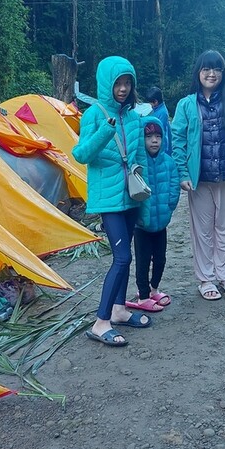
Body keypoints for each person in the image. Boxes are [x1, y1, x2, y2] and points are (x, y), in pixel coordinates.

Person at [72, 56, 152, 347]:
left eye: (127, 82)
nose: (123, 88)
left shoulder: (133, 116)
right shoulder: (93, 114)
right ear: (107, 83)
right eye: (118, 82)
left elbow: (140, 157)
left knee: (126, 253)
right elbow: (81, 155)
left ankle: (119, 310)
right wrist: (106, 131)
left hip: (130, 196)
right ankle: (100, 321)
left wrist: (144, 189)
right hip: (108, 200)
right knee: (122, 258)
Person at [171, 50, 225, 300]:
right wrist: (182, 173)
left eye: (217, 69)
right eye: (206, 69)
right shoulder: (186, 105)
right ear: (198, 73)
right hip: (199, 179)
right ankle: (206, 279)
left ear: (223, 73)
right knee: (203, 231)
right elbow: (178, 141)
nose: (211, 74)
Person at [126, 116, 180, 312]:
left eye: (158, 136)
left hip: (161, 222)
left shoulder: (168, 162)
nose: (154, 140)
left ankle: (154, 288)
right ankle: (143, 295)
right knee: (142, 260)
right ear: (142, 140)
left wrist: (169, 206)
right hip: (142, 224)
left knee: (160, 258)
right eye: (149, 137)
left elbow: (174, 185)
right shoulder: (138, 163)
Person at [146, 86, 172, 155]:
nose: (149, 104)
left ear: (156, 102)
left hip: (163, 148)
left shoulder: (162, 113)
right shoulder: (156, 110)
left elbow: (162, 132)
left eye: (150, 102)